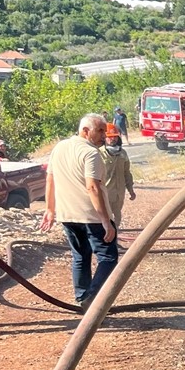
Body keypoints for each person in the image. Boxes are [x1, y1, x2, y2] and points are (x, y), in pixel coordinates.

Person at [40, 114, 118, 311]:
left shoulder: (59, 148)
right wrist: (105, 221)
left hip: (67, 215)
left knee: (80, 256)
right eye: (99, 130)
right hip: (91, 217)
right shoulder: (91, 154)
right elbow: (92, 187)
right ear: (85, 131)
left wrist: (50, 210)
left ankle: (82, 298)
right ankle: (92, 299)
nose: (104, 135)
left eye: (104, 130)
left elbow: (50, 179)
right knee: (108, 258)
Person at [100, 124, 136, 227]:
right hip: (105, 194)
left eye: (115, 136)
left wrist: (131, 190)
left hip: (119, 194)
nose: (113, 139)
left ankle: (114, 238)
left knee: (117, 220)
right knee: (104, 221)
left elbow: (127, 173)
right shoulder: (99, 154)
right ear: (104, 138)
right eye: (110, 137)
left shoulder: (123, 153)